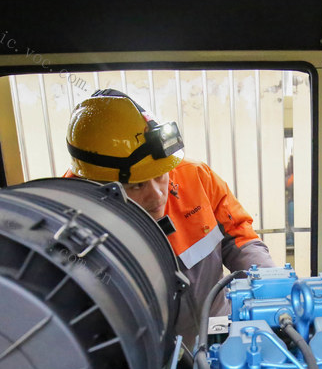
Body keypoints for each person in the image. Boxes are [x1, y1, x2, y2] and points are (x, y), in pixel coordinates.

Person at [64, 89, 275, 350]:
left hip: (219, 341)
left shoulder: (196, 177)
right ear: (97, 185)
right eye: (137, 185)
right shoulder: (70, 217)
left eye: (160, 175)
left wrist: (271, 282)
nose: (157, 195)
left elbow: (238, 236)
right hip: (149, 360)